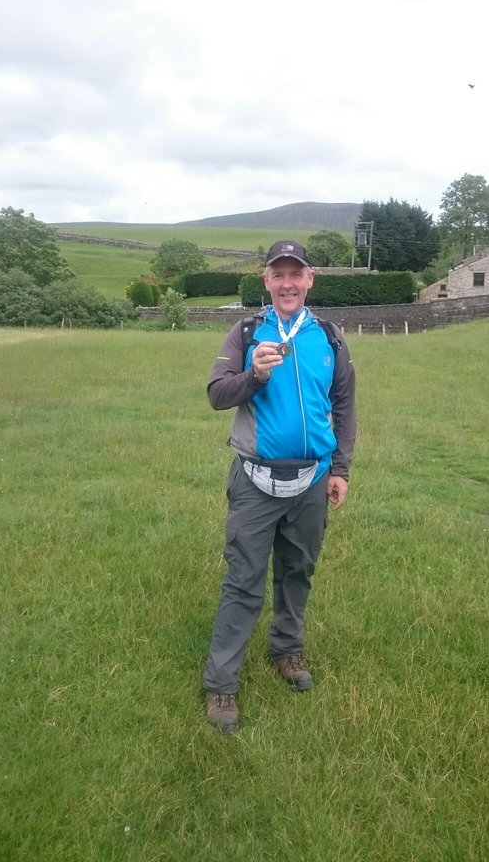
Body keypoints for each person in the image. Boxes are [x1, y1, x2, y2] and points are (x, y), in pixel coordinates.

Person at [203, 239, 356, 732]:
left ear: (310, 279)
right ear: (265, 281)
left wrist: (340, 469)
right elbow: (216, 394)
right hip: (255, 482)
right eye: (278, 274)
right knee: (243, 581)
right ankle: (222, 685)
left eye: (297, 273)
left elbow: (344, 405)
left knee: (298, 572)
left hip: (312, 482)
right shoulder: (246, 331)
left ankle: (286, 652)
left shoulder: (329, 338)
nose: (287, 283)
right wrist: (254, 375)